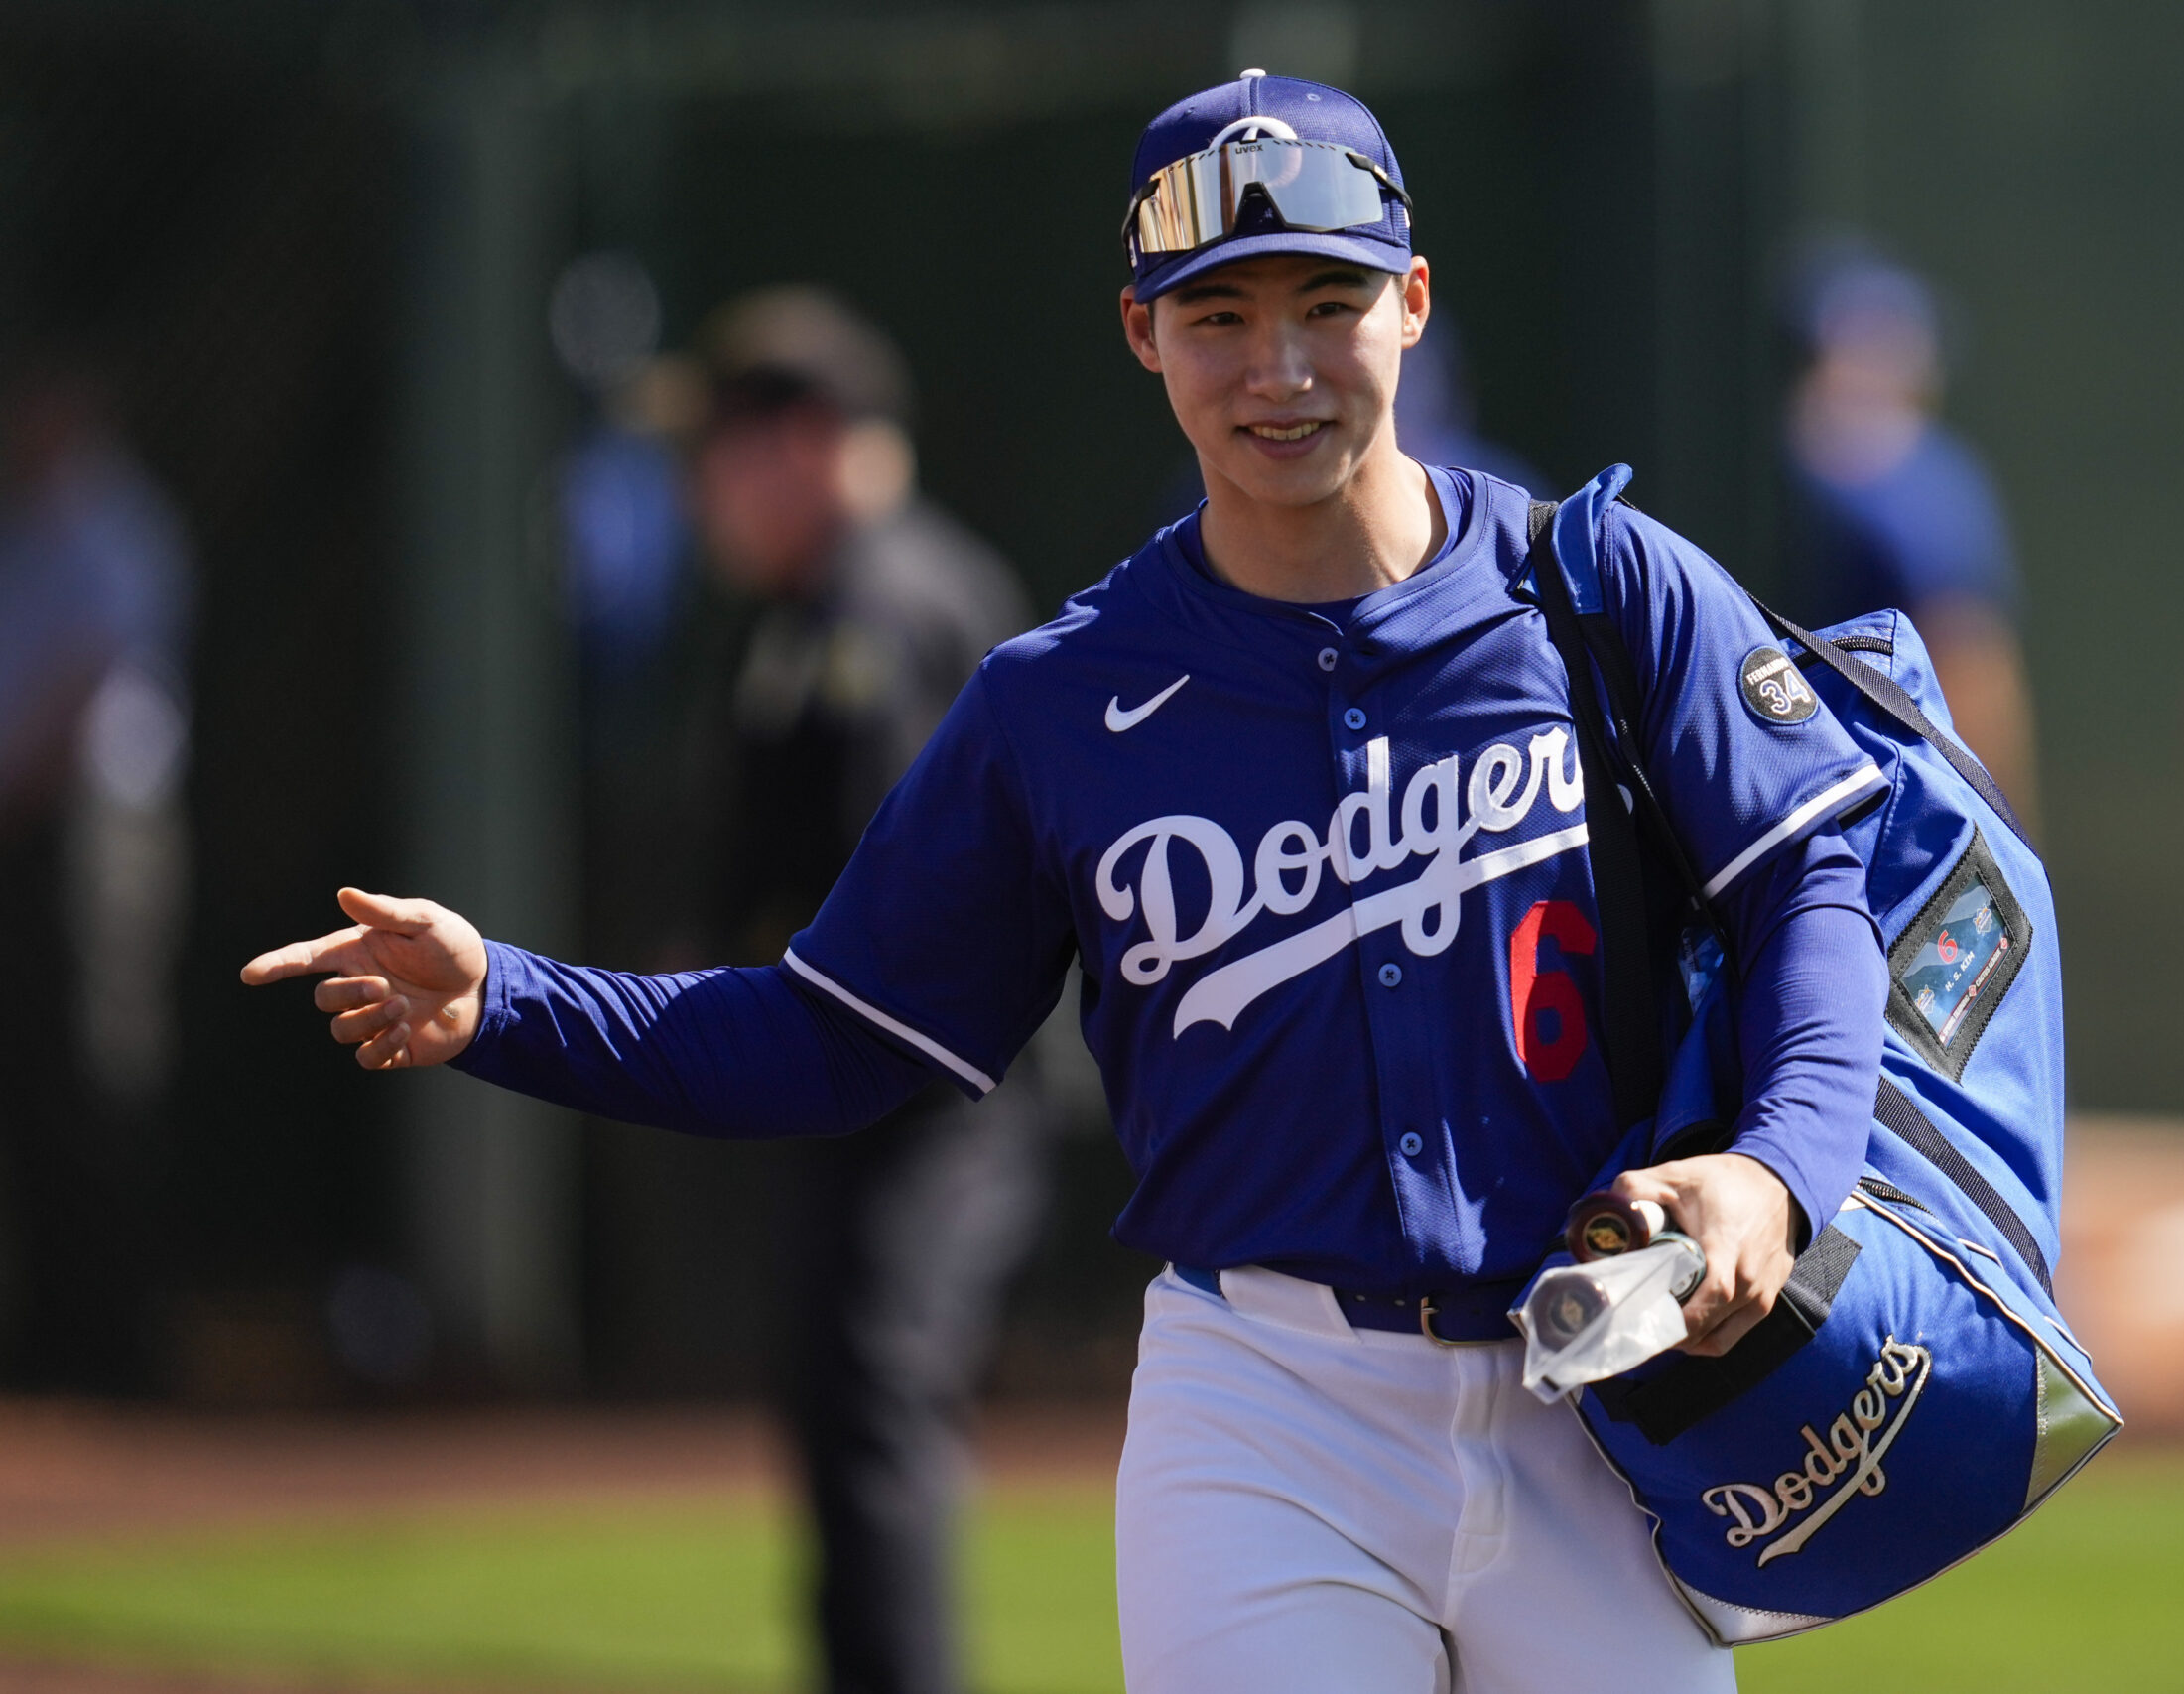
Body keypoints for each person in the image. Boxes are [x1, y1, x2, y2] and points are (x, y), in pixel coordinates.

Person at [245, 72, 1890, 1692]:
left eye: (1327, 302)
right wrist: (512, 1001)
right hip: (1268, 1412)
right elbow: (836, 1034)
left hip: (1596, 1386)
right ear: (1139, 334)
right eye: (1218, 316)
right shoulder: (1062, 702)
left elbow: (1806, 880)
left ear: (1414, 300)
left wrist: (1783, 1168)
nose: (1281, 367)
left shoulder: (1598, 584)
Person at [686, 286, 1047, 1694]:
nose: (705, 487)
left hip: (931, 1093)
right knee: (845, 1399)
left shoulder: (890, 604)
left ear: (808, 439)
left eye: (723, 448)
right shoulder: (818, 605)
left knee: (874, 1397)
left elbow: (903, 900)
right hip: (871, 1086)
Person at [0, 358, 193, 1390]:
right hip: (32, 832)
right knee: (37, 1077)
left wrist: (18, 788)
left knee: (100, 1069)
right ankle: (57, 1330)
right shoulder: (30, 528)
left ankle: (119, 1334)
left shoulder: (117, 523)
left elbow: (84, 680)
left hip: (96, 828)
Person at [1786, 244, 2039, 822]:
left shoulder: (1921, 488)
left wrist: (1998, 844)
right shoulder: (1795, 478)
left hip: (1888, 813)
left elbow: (1973, 670)